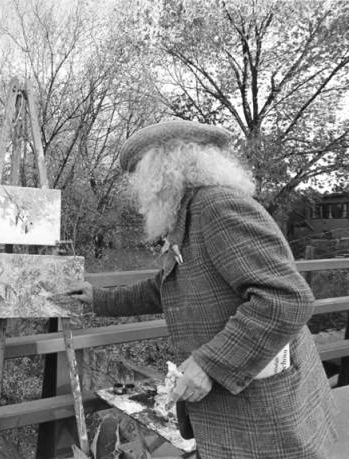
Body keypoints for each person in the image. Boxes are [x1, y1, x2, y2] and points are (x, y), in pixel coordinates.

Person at [68, 120, 337, 459]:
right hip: (243, 403)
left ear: (162, 171)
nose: (138, 190)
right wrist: (99, 299)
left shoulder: (217, 208)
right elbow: (165, 287)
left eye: (139, 176)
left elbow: (286, 299)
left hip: (263, 411)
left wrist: (209, 364)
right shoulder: (189, 216)